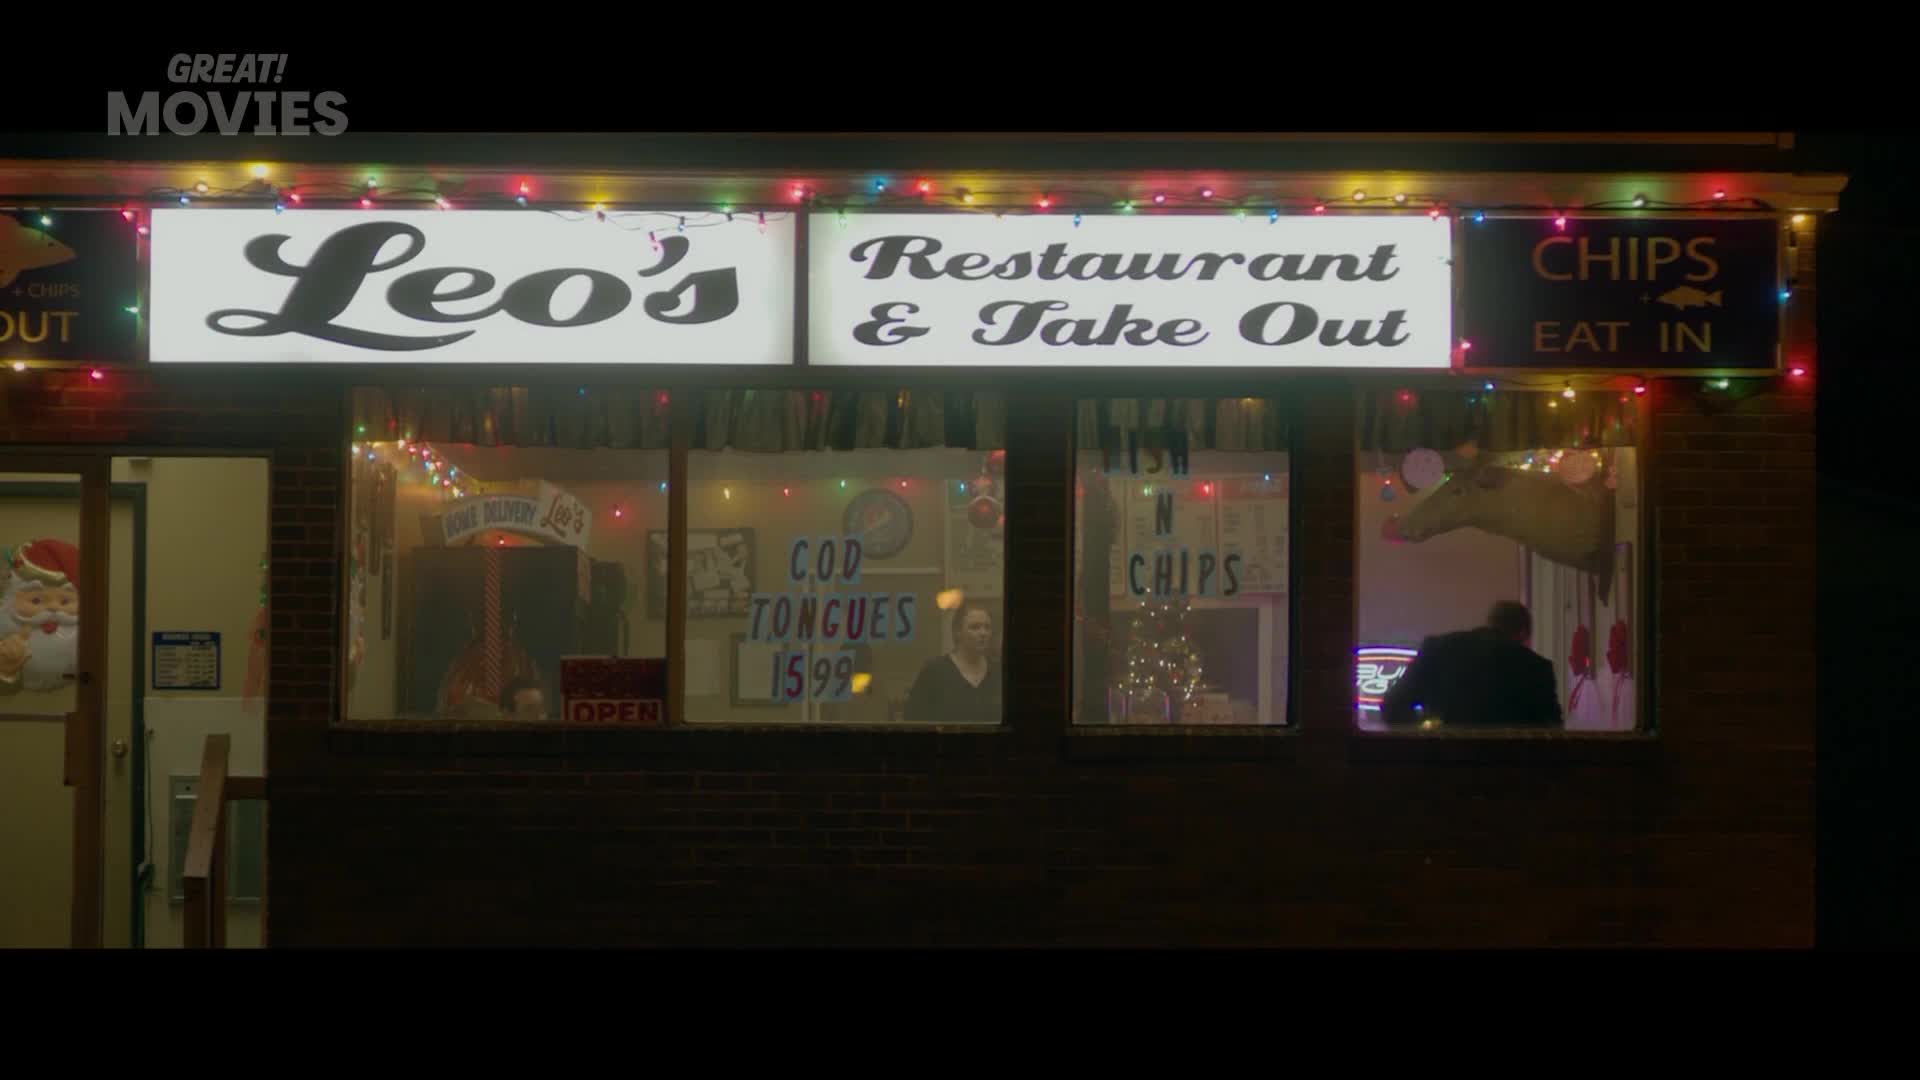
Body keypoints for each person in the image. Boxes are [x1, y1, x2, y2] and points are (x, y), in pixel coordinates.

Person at [1380, 601, 1562, 729]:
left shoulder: (1437, 648)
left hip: (1443, 772)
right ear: (1522, 633)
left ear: (1490, 623)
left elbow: (1393, 706)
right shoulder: (1537, 667)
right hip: (1510, 776)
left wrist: (1429, 736)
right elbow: (1552, 733)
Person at [904, 601, 1001, 724]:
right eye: (975, 627)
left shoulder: (998, 672)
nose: (983, 633)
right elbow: (913, 721)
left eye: (987, 627)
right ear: (957, 632)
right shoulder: (935, 672)